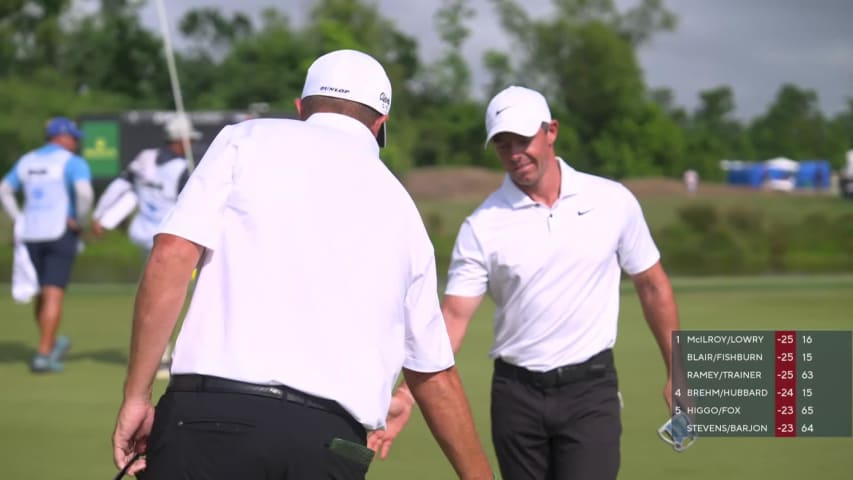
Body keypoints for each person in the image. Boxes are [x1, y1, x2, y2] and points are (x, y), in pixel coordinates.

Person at [111, 49, 493, 480]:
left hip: (210, 417)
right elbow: (434, 376)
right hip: (330, 445)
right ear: (380, 123)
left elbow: (172, 254)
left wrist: (136, 396)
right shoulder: (405, 211)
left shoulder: (246, 139)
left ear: (301, 108)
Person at [372, 86, 681, 479]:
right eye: (503, 144)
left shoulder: (612, 201)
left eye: (523, 139)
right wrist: (407, 394)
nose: (515, 153)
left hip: (590, 389)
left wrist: (679, 372)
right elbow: (453, 318)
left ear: (551, 131)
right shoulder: (481, 225)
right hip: (516, 396)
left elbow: (652, 284)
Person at [91, 113, 202, 380]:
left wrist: (100, 215)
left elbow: (120, 186)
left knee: (158, 295)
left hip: (143, 236)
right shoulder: (185, 167)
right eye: (187, 139)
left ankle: (160, 354)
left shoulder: (144, 157)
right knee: (172, 298)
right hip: (172, 240)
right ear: (179, 139)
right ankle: (163, 358)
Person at [0, 116, 93, 373]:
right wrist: (81, 220)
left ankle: (48, 343)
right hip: (60, 232)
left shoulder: (27, 160)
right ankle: (43, 352)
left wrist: (18, 218)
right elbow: (84, 193)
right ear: (61, 137)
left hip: (30, 234)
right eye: (73, 137)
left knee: (41, 292)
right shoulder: (72, 162)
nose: (75, 142)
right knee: (53, 292)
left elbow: (4, 189)